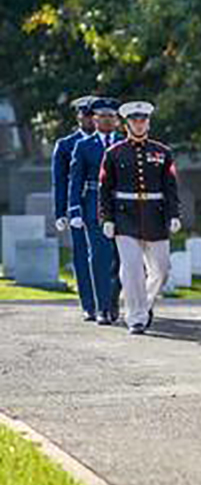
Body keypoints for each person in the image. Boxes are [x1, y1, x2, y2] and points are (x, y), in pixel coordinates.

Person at [100, 101, 181, 335]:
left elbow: (171, 187)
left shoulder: (162, 152)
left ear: (148, 122)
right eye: (135, 120)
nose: (139, 124)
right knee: (132, 268)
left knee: (162, 270)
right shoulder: (114, 153)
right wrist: (107, 218)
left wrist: (174, 214)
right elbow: (105, 188)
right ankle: (135, 318)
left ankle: (143, 304)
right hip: (125, 217)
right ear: (127, 124)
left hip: (155, 216)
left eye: (143, 120)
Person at [67, 97, 123, 325]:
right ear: (95, 119)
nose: (106, 121)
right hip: (94, 206)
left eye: (111, 117)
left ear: (117, 120)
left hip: (123, 208)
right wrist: (74, 210)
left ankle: (112, 301)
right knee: (99, 258)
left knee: (121, 260)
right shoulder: (84, 146)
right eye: (102, 117)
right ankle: (101, 308)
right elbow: (75, 180)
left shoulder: (125, 143)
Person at [52, 95, 97, 321]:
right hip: (78, 206)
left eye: (92, 115)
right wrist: (61, 212)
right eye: (85, 115)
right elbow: (60, 181)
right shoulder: (66, 145)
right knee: (82, 255)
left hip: (105, 205)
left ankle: (106, 302)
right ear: (78, 117)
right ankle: (88, 304)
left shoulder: (109, 141)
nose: (89, 119)